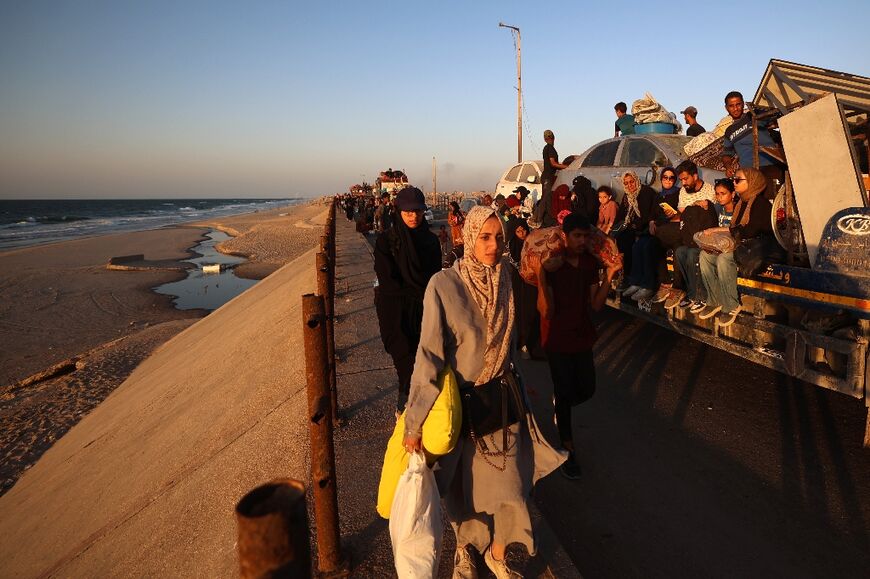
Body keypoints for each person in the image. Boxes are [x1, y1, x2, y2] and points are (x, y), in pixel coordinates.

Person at [402, 206, 565, 578]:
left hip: (503, 400)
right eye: (484, 237)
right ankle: (465, 549)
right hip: (463, 406)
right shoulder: (443, 286)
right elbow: (428, 356)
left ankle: (497, 551)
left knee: (513, 486)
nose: (492, 246)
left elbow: (510, 342)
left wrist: (521, 383)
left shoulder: (506, 275)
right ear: (470, 237)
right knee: (465, 490)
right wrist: (414, 422)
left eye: (498, 238)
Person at [539, 213, 622, 479]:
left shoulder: (588, 264)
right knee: (564, 392)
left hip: (582, 334)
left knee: (587, 388)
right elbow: (546, 311)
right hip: (556, 336)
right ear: (565, 236)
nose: (582, 241)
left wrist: (609, 274)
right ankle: (568, 450)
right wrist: (542, 274)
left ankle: (561, 406)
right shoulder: (553, 266)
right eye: (577, 235)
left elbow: (596, 304)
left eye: (585, 236)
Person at [374, 187, 442, 414]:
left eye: (418, 212)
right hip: (395, 314)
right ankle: (405, 412)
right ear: (399, 211)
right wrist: (418, 291)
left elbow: (435, 277)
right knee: (406, 365)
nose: (414, 216)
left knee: (424, 364)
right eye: (409, 212)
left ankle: (414, 413)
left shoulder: (431, 242)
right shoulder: (387, 241)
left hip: (424, 311)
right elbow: (388, 282)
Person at [698, 167, 773, 327]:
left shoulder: (761, 204)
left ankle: (731, 304)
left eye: (738, 180)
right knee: (705, 256)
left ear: (752, 182)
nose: (734, 182)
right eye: (734, 179)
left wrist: (719, 230)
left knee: (724, 259)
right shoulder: (741, 203)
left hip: (754, 249)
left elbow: (748, 231)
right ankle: (714, 299)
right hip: (740, 246)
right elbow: (736, 230)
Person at [667, 160, 717, 308]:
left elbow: (711, 215)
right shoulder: (683, 191)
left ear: (695, 176)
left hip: (705, 235)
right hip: (687, 233)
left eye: (685, 179)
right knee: (680, 251)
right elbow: (682, 213)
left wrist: (704, 205)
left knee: (691, 254)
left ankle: (699, 296)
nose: (683, 183)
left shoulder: (709, 190)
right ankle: (689, 292)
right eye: (681, 180)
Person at [720, 91, 784, 199]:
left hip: (771, 165)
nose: (735, 108)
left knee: (776, 200)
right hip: (749, 172)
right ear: (726, 108)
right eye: (731, 106)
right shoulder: (729, 131)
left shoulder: (754, 115)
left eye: (738, 104)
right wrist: (728, 166)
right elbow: (726, 154)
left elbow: (776, 116)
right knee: (755, 202)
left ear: (743, 104)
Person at [616, 171, 657, 298]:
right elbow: (621, 215)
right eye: (626, 183)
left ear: (636, 180)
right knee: (620, 238)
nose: (630, 185)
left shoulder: (645, 192)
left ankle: (637, 281)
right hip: (632, 227)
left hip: (644, 228)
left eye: (631, 181)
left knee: (632, 242)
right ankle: (630, 278)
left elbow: (647, 214)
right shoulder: (627, 196)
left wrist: (634, 227)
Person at [532, 129, 569, 228]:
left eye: (550, 138)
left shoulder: (546, 148)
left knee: (546, 198)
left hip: (547, 177)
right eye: (549, 138)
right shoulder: (550, 149)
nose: (550, 139)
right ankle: (536, 219)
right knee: (545, 198)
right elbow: (553, 163)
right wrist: (567, 167)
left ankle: (537, 218)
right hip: (548, 177)